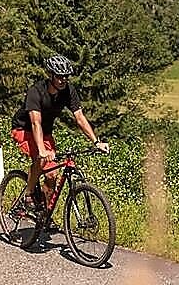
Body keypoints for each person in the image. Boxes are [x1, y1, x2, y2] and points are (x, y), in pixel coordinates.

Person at [11, 53, 107, 248]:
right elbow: (35, 122)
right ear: (51, 75)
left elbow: (79, 118)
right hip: (24, 129)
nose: (63, 80)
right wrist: (41, 150)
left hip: (45, 133)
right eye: (59, 76)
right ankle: (28, 194)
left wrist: (96, 141)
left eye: (66, 76)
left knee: (52, 177)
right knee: (45, 163)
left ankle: (44, 213)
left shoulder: (68, 91)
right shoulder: (35, 92)